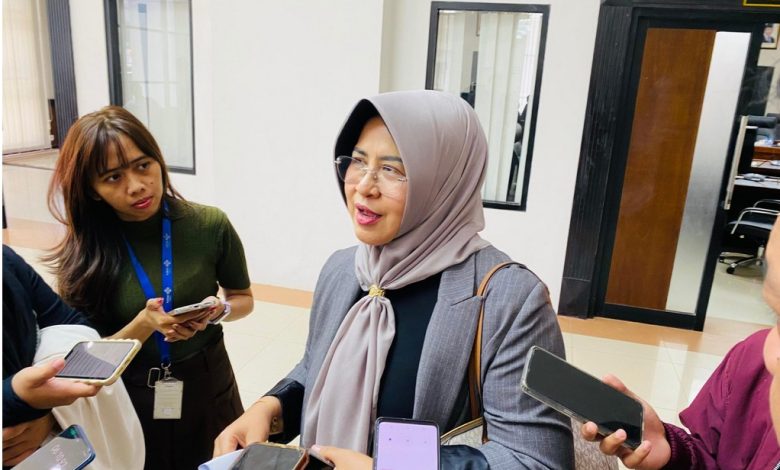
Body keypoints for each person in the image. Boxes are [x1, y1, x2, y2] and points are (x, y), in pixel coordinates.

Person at [214, 90, 573, 469]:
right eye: (357, 161)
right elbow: (316, 367)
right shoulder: (343, 269)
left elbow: (536, 458)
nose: (363, 186)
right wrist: (271, 407)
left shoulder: (510, 299)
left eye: (391, 169)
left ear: (444, 180)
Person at [46, 106, 255, 470]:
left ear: (158, 160)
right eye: (113, 177)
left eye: (143, 165)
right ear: (93, 190)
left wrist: (219, 310)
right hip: (130, 393)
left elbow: (243, 299)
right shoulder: (85, 256)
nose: (136, 186)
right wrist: (144, 325)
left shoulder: (209, 225)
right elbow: (85, 362)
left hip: (208, 382)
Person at [580, 222, 780, 469]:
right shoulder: (751, 359)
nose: (770, 355)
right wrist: (671, 453)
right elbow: (710, 458)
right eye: (776, 315)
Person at [3, 246, 100, 466]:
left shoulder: (6, 262)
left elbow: (74, 326)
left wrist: (50, 413)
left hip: (50, 452)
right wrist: (15, 398)